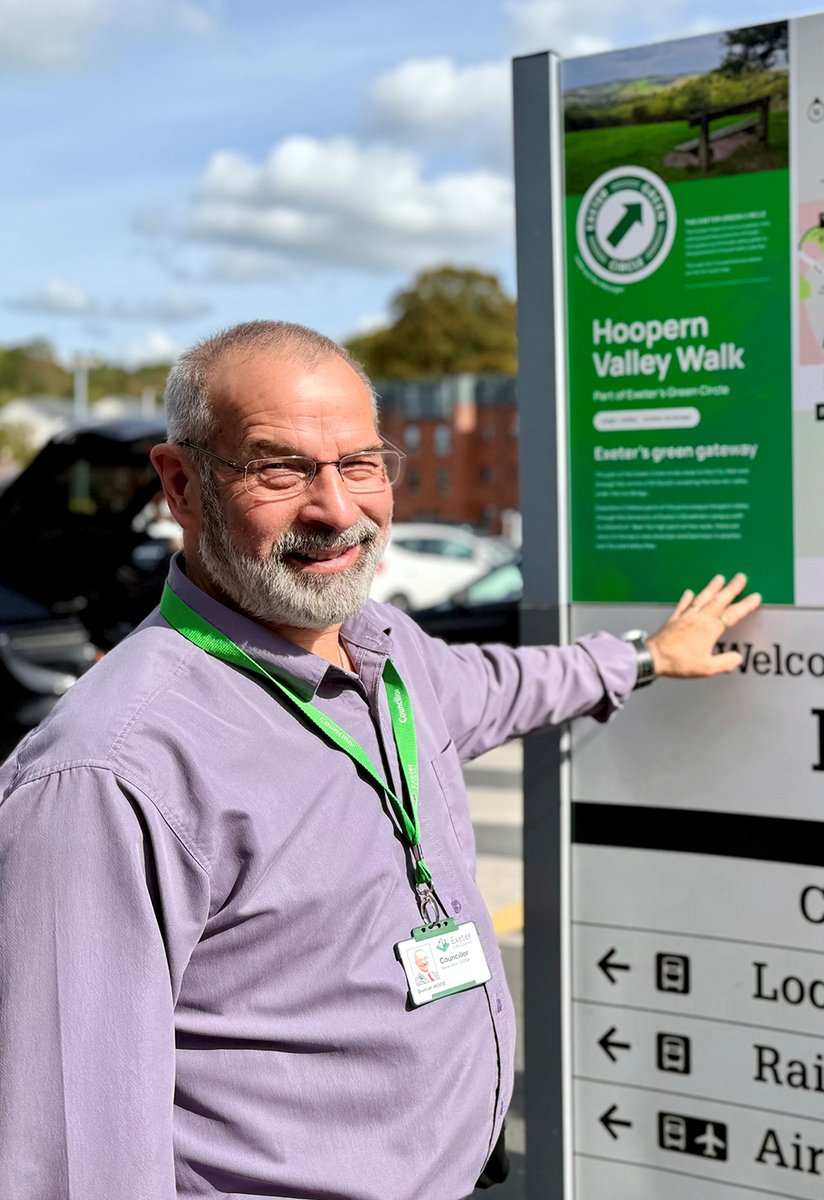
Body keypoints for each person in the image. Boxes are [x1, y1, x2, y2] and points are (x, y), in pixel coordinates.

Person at [0, 320, 760, 1200]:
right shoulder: (109, 774)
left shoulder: (382, 650)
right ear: (182, 484)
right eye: (278, 469)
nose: (336, 509)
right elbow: (68, 1162)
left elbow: (501, 684)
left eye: (360, 464)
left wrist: (644, 655)